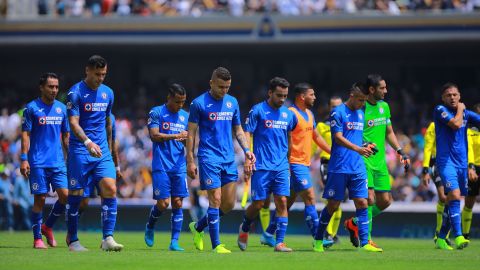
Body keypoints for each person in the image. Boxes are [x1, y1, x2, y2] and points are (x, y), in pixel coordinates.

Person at [186, 67, 255, 254]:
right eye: (221, 87)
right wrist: (190, 161)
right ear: (211, 83)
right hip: (208, 157)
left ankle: (198, 227)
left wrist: (247, 150)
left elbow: (238, 130)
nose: (224, 90)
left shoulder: (232, 102)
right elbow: (191, 134)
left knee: (228, 204)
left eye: (227, 87)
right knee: (215, 200)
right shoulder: (198, 104)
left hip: (228, 157)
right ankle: (216, 245)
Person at [312, 82, 382, 253]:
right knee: (333, 205)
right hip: (339, 166)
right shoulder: (338, 112)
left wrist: (366, 144)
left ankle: (365, 242)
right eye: (360, 100)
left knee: (362, 202)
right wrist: (358, 148)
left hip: (357, 167)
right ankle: (318, 239)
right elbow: (337, 137)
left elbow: (356, 137)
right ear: (351, 95)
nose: (362, 103)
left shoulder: (360, 113)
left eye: (364, 100)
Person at [261, 82, 331, 247]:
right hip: (293, 162)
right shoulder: (290, 114)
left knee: (288, 202)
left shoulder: (310, 114)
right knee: (310, 196)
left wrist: (332, 151)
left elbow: (316, 137)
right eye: (311, 94)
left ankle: (268, 233)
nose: (314, 97)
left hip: (304, 163)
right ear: (302, 96)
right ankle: (318, 237)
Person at [344, 74, 410, 248]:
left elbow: (389, 132)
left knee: (386, 201)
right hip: (363, 160)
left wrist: (400, 151)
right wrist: (362, 144)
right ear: (371, 89)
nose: (386, 91)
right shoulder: (360, 107)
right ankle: (367, 239)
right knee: (370, 199)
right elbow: (351, 132)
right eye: (382, 88)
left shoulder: (384, 107)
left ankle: (355, 223)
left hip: (380, 162)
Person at [65, 55, 123, 252]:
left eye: (104, 74)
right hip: (81, 149)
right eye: (97, 74)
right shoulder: (75, 92)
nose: (101, 78)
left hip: (102, 151)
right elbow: (73, 123)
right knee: (77, 195)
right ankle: (73, 241)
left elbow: (108, 123)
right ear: (87, 71)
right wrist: (88, 142)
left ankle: (107, 238)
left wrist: (110, 153)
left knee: (110, 188)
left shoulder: (108, 93)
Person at [237, 77, 297, 252]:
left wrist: (289, 162)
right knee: (259, 204)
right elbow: (248, 133)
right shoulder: (258, 111)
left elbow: (290, 138)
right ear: (270, 93)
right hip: (262, 166)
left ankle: (279, 242)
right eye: (279, 95)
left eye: (285, 95)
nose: (282, 99)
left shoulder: (288, 114)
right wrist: (248, 158)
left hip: (281, 166)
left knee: (282, 202)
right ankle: (245, 227)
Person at [428, 83, 480, 250]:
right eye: (449, 95)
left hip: (462, 164)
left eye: (455, 95)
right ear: (443, 98)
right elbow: (456, 124)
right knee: (455, 195)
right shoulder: (440, 110)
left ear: (459, 96)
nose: (452, 98)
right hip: (446, 162)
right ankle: (458, 236)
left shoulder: (465, 113)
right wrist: (461, 109)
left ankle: (442, 237)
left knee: (453, 200)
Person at [20, 73, 69, 249]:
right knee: (39, 199)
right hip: (38, 162)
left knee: (66, 196)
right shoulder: (31, 108)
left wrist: (72, 154)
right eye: (50, 86)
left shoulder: (62, 108)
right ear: (42, 87)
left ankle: (47, 226)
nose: (54, 90)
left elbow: (66, 136)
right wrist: (24, 159)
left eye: (56, 87)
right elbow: (25, 134)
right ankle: (37, 239)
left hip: (58, 162)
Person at [144, 83, 189, 251]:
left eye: (183, 102)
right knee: (163, 204)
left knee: (178, 202)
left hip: (179, 166)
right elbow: (154, 136)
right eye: (177, 101)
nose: (180, 105)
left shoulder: (186, 116)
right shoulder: (156, 112)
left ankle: (174, 242)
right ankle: (150, 225)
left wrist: (188, 140)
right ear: (169, 98)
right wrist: (177, 135)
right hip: (161, 164)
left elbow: (189, 141)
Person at [315, 96, 343, 246]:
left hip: (342, 164)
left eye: (338, 106)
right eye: (333, 106)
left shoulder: (347, 124)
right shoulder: (322, 125)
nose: (335, 109)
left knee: (339, 201)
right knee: (331, 199)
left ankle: (333, 233)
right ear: (329, 107)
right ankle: (328, 233)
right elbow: (314, 146)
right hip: (327, 163)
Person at [421, 121, 450, 243]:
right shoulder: (434, 126)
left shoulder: (457, 124)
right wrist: (425, 170)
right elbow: (427, 147)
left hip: (451, 162)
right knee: (443, 197)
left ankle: (445, 235)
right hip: (436, 162)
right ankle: (439, 232)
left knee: (451, 198)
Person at [461, 103, 480, 240]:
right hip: (474, 168)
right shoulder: (469, 131)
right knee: (469, 202)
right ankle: (464, 235)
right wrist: (471, 167)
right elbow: (470, 150)